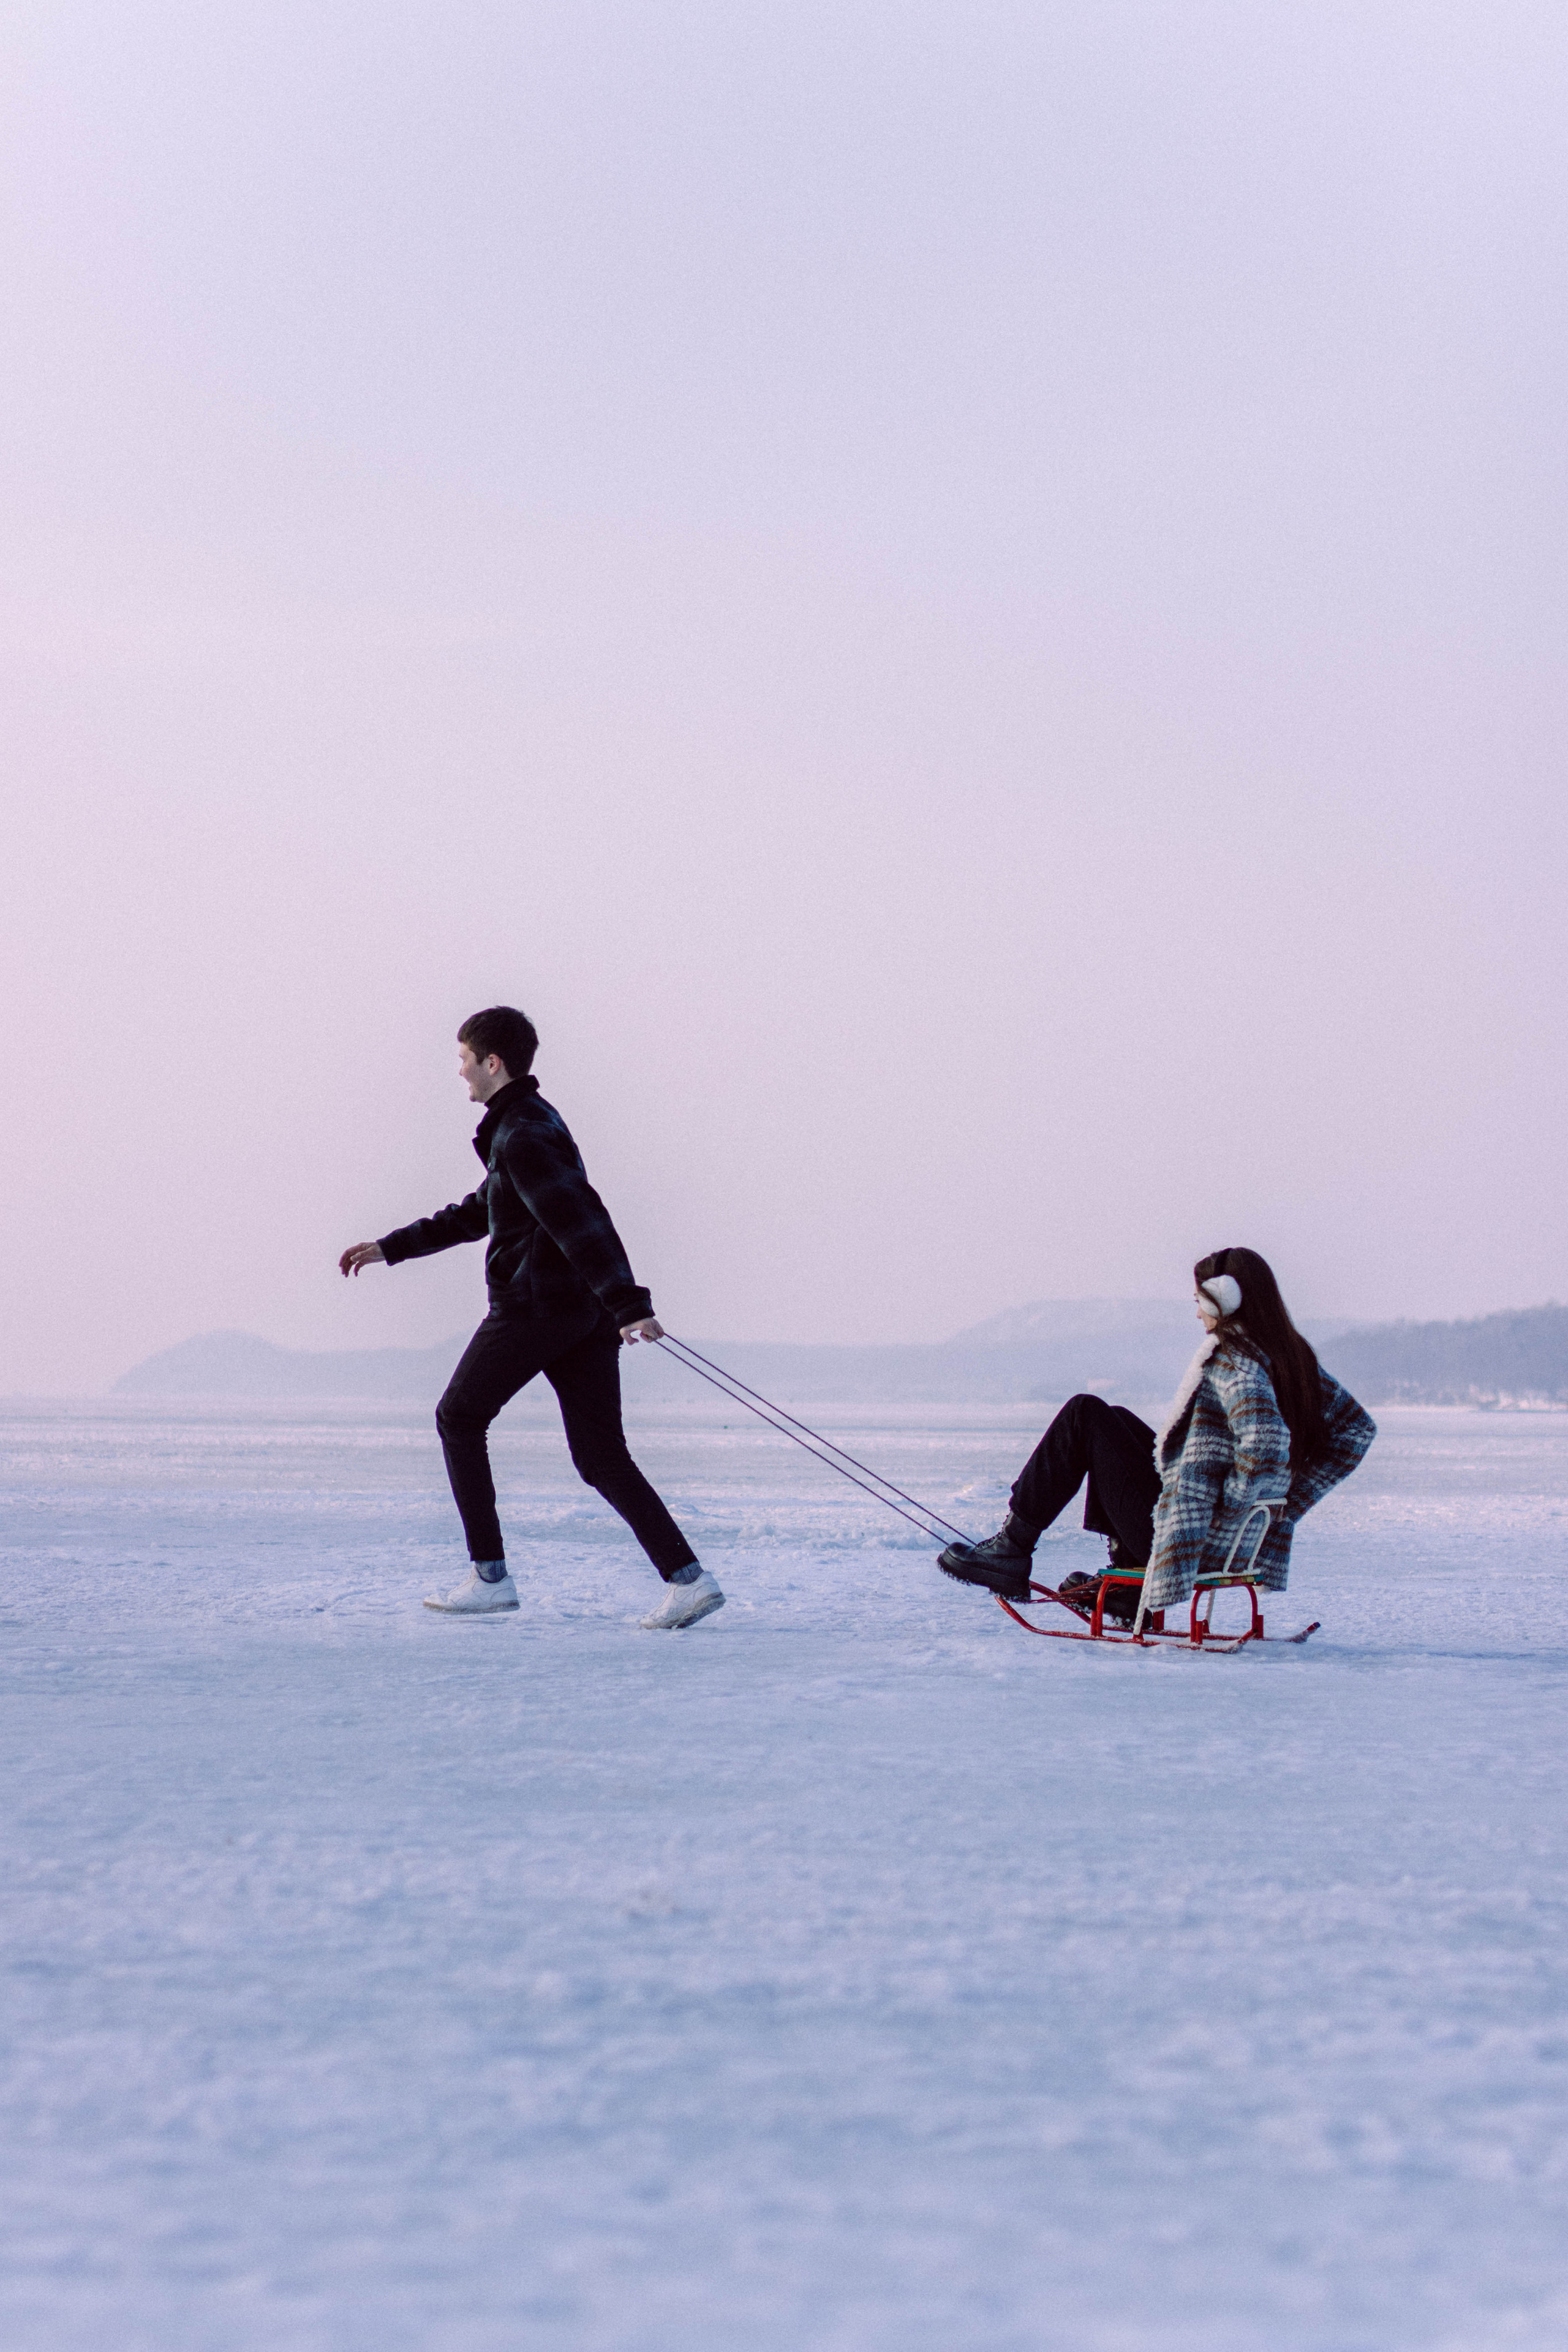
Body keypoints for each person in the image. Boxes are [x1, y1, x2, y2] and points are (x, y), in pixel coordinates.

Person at [339, 1005, 724, 1629]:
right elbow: (483, 1210)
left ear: (493, 1063)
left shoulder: (521, 1133)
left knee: (458, 1417)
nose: (460, 1074)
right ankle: (689, 1582)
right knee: (600, 1457)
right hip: (582, 1312)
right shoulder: (527, 1125)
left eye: (464, 1061)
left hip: (539, 1307)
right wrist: (393, 1247)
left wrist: (631, 1304)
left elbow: (580, 1218)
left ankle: (489, 1577)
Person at [937, 1247, 1375, 1623]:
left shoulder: (1234, 1361)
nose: (1197, 1311)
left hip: (1189, 1540)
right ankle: (1128, 1583)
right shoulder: (1288, 1356)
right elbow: (1356, 1430)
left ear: (1226, 1300)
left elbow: (1264, 1443)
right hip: (1220, 1538)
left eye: (1201, 1299)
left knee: (1084, 1415)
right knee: (1118, 1421)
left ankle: (1012, 1549)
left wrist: (1233, 1510)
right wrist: (1279, 1510)